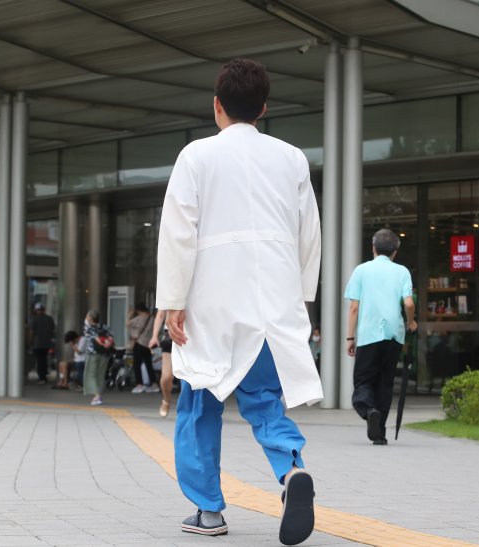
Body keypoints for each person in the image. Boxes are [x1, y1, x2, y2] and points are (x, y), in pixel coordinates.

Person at [156, 58, 321, 545]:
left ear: (216, 107)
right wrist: (301, 299)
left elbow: (178, 232)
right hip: (273, 302)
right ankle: (291, 473)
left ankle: (208, 512)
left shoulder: (196, 156)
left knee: (198, 403)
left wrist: (173, 300)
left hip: (211, 302)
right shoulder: (291, 157)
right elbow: (308, 234)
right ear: (263, 108)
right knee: (267, 401)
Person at [344, 228, 418, 445]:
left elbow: (354, 308)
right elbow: (409, 303)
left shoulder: (361, 271)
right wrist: (411, 321)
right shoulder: (402, 271)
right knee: (385, 383)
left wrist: (350, 338)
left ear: (373, 247)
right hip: (394, 335)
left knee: (363, 381)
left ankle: (368, 411)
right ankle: (380, 434)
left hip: (369, 334)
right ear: (395, 250)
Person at [79, 310, 114, 406]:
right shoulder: (104, 326)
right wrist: (107, 344)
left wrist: (101, 343)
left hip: (93, 353)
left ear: (90, 318)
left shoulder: (88, 328)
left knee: (91, 374)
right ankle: (98, 394)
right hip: (105, 354)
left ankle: (97, 396)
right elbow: (111, 336)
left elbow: (95, 338)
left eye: (87, 316)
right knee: (100, 374)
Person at [127, 304, 159, 394]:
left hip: (139, 344)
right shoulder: (152, 319)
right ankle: (154, 384)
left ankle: (139, 384)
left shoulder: (138, 318)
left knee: (137, 364)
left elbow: (127, 324)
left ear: (138, 310)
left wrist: (129, 315)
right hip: (148, 344)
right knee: (148, 364)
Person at [149, 309, 174, 417]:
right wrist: (154, 336)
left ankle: (191, 410)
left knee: (189, 379)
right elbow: (160, 314)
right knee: (166, 377)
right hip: (170, 334)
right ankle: (166, 400)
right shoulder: (168, 291)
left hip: (192, 334)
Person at [28, 302, 55, 384]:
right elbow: (52, 329)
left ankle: (42, 377)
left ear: (36, 310)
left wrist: (29, 341)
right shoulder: (49, 319)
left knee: (39, 360)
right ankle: (44, 376)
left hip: (37, 343)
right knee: (44, 359)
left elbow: (31, 332)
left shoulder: (34, 319)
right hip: (47, 343)